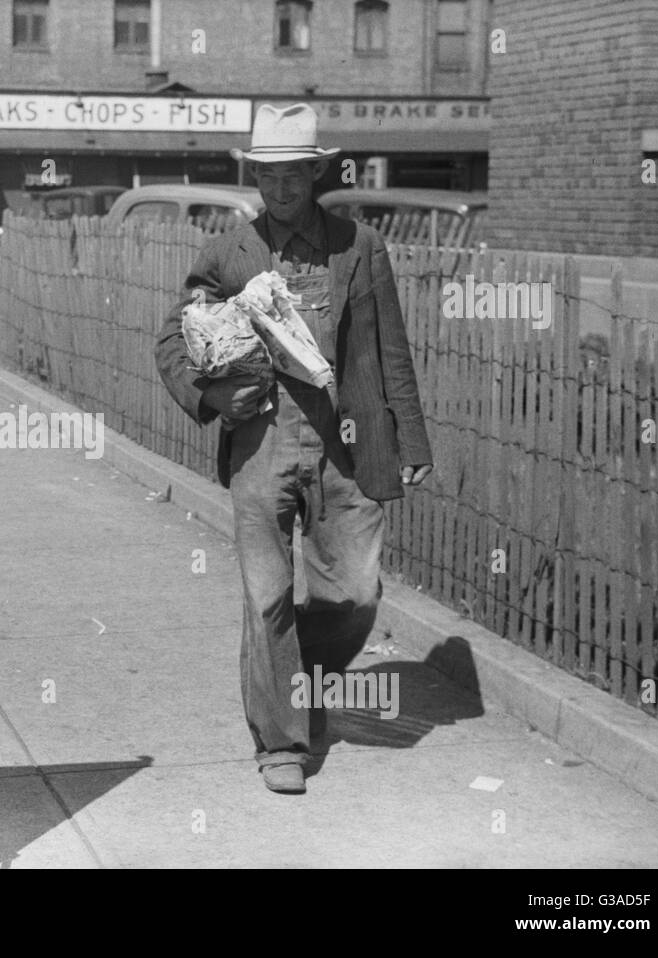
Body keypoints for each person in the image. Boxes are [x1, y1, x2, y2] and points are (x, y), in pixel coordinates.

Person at [154, 104, 434, 794]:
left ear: (315, 172)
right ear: (255, 176)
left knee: (357, 594)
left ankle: (295, 677)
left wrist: (411, 435)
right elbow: (173, 340)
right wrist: (211, 399)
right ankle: (281, 740)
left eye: (292, 175)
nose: (279, 188)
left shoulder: (358, 246)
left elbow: (388, 346)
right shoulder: (227, 253)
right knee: (268, 597)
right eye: (266, 175)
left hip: (346, 445)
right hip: (262, 444)